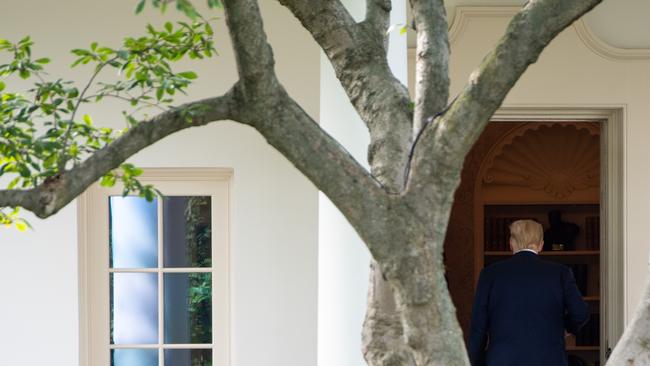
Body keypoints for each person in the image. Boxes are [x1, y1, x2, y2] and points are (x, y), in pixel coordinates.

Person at [468, 219, 590, 366]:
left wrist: (473, 361)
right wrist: (565, 327)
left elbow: (478, 326)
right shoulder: (560, 273)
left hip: (502, 360)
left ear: (511, 243)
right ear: (541, 245)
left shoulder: (490, 274)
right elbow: (581, 313)